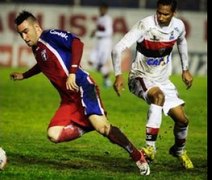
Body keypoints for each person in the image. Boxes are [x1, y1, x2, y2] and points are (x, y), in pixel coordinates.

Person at [10, 10, 150, 175]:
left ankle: (137, 156)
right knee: (53, 135)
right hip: (68, 99)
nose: (24, 37)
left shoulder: (50, 36)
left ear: (37, 27)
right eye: (21, 34)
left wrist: (73, 72)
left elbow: (77, 43)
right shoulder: (36, 48)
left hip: (83, 87)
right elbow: (43, 64)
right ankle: (89, 124)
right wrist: (24, 75)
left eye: (26, 32)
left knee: (104, 128)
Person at [111, 0, 194, 169]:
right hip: (140, 77)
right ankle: (150, 147)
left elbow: (182, 42)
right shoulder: (145, 25)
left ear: (174, 13)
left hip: (163, 80)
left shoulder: (178, 26)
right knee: (158, 97)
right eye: (159, 12)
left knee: (182, 120)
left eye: (165, 14)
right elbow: (117, 49)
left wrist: (185, 69)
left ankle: (179, 150)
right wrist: (118, 75)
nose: (161, 17)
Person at [88, 2, 113, 87]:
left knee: (99, 64)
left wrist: (97, 33)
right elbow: (98, 30)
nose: (101, 10)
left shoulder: (107, 19)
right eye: (100, 8)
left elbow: (109, 32)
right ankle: (106, 78)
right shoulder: (99, 18)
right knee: (91, 61)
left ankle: (107, 80)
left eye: (103, 9)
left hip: (105, 43)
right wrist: (94, 33)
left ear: (106, 9)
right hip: (98, 42)